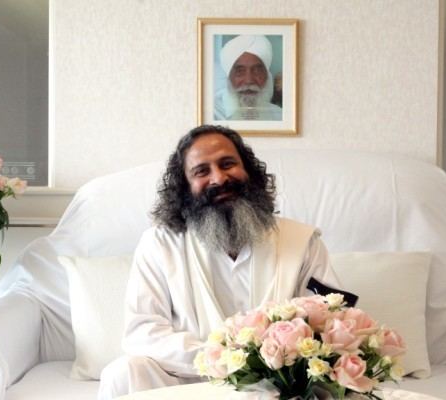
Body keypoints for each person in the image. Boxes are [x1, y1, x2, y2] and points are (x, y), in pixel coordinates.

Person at [97, 125, 341, 399]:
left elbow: (330, 322)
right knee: (123, 374)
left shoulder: (302, 241)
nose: (219, 178)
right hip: (187, 381)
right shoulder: (160, 244)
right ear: (185, 186)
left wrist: (268, 365)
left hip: (277, 384)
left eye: (228, 164)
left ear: (248, 171)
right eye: (202, 171)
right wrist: (224, 360)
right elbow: (142, 332)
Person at [214, 35, 283, 121]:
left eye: (257, 71)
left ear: (267, 77)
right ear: (229, 77)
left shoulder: (280, 115)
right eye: (239, 71)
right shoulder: (212, 113)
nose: (249, 80)